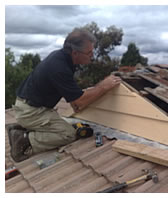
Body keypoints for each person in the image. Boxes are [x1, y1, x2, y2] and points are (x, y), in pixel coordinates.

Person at [7, 27, 121, 162]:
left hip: (32, 108)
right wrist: (103, 86)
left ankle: (23, 128)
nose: (92, 56)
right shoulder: (59, 67)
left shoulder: (64, 59)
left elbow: (72, 96)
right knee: (68, 134)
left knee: (71, 123)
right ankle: (25, 140)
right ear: (75, 53)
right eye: (89, 53)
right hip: (32, 112)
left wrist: (76, 101)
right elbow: (79, 101)